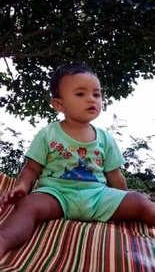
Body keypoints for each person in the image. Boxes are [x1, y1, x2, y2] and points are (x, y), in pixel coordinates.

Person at [0, 63, 155, 259]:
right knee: (28, 206)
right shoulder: (48, 134)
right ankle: (4, 238)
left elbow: (114, 175)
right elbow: (31, 168)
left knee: (139, 201)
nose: (91, 99)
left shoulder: (105, 138)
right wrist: (22, 187)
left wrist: (124, 198)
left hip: (98, 196)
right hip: (56, 195)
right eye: (81, 94)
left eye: (96, 94)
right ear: (59, 104)